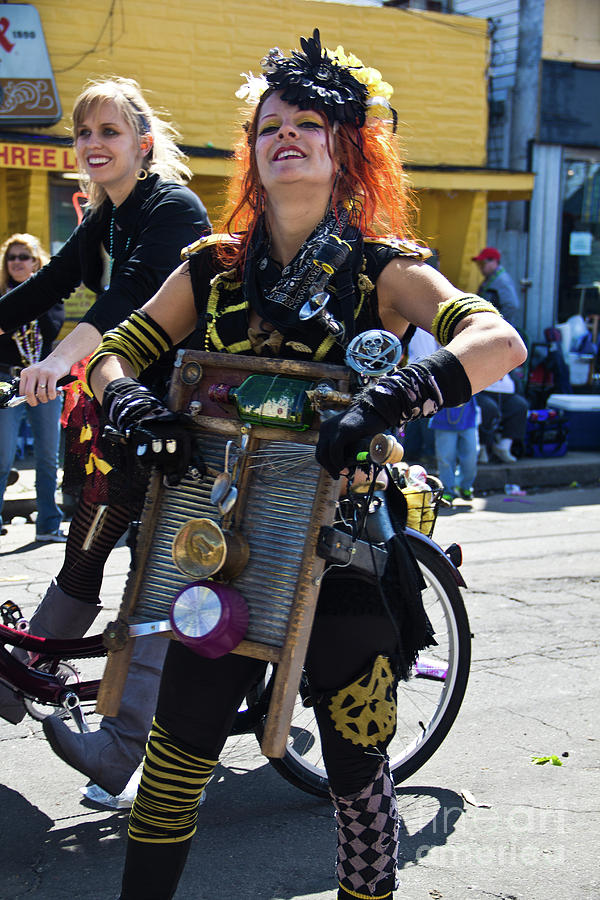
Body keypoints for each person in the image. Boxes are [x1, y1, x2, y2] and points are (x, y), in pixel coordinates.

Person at [86, 31, 526, 900]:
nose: (285, 135)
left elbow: (496, 342)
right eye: (269, 124)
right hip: (218, 561)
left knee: (360, 793)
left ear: (346, 147)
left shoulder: (385, 272)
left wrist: (394, 396)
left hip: (345, 562)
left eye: (309, 123)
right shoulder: (211, 270)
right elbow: (113, 354)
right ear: (250, 152)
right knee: (170, 783)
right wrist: (129, 403)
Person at [0, 78, 211, 799]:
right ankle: (31, 675)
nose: (92, 143)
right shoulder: (105, 220)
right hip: (121, 413)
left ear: (143, 146)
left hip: (183, 417)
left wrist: (63, 360)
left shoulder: (172, 208)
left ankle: (121, 748)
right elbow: (47, 286)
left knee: (156, 578)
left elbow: (133, 303)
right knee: (84, 551)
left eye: (109, 132)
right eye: (83, 133)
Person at [0, 234, 66, 542]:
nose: (16, 262)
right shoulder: (2, 299)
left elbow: (51, 331)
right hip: (6, 382)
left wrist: (33, 294)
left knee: (47, 457)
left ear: (35, 262)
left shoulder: (49, 297)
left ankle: (48, 524)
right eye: (11, 257)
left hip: (43, 382)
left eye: (23, 256)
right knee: (2, 457)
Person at [429, 397, 479, 504]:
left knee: (471, 456)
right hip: (443, 419)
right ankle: (447, 490)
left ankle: (465, 486)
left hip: (468, 418)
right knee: (445, 458)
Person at [476, 373, 529, 463]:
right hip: (483, 392)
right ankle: (482, 448)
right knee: (489, 408)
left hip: (507, 392)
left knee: (520, 405)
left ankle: (504, 446)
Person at [472, 246, 520, 325]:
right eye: (479, 264)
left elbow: (511, 306)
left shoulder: (502, 280)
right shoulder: (490, 278)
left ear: (494, 262)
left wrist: (498, 325)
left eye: (482, 263)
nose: (480, 267)